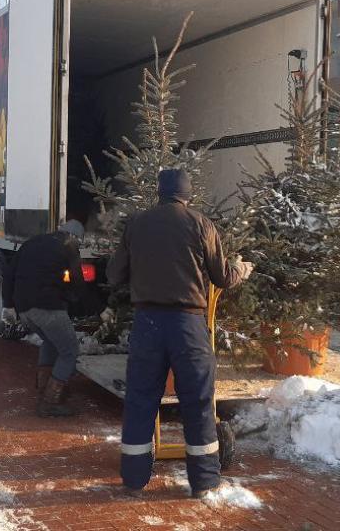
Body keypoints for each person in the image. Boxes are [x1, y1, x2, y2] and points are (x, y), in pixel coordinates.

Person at [107, 169, 254, 499]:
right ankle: (203, 483)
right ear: (187, 194)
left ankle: (133, 479)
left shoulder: (137, 224)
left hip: (147, 324)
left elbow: (114, 274)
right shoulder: (201, 224)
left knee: (141, 400)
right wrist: (241, 270)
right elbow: (222, 276)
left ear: (160, 192)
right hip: (187, 325)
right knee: (198, 401)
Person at [2, 219, 86, 417]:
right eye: (79, 242)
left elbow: (9, 273)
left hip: (24, 309)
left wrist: (9, 304)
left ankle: (44, 388)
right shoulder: (69, 247)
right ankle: (50, 403)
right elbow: (78, 284)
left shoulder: (32, 242)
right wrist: (97, 308)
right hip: (47, 307)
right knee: (69, 350)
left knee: (50, 341)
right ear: (74, 237)